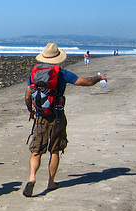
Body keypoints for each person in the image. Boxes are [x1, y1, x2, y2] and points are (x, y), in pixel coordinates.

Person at [23, 43, 107, 197]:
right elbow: (87, 82)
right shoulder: (62, 73)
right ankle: (51, 182)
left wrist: (31, 111)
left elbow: (28, 96)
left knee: (37, 150)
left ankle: (32, 178)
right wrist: (99, 78)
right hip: (57, 116)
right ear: (58, 59)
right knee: (54, 149)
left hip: (41, 116)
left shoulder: (35, 73)